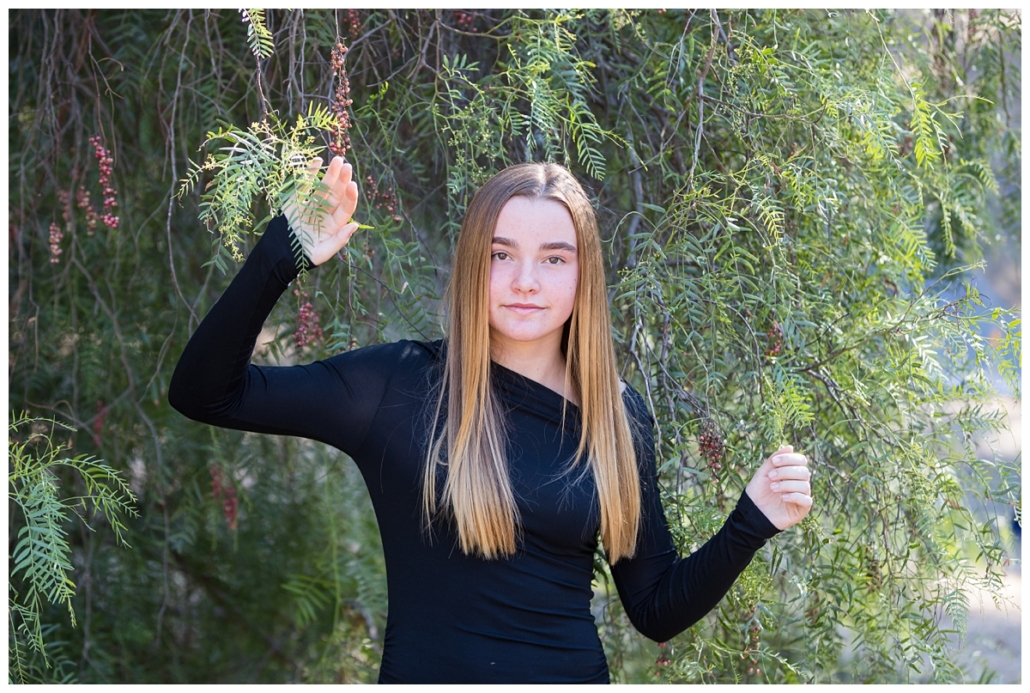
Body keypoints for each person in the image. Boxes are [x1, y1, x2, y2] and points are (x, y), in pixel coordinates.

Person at [169, 156, 813, 683]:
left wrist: (749, 522)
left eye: (554, 258)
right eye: (503, 254)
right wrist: (284, 251)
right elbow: (205, 393)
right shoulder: (399, 386)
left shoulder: (618, 416)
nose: (526, 280)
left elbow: (654, 607)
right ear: (475, 263)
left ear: (583, 274)